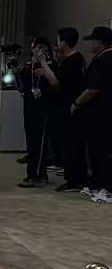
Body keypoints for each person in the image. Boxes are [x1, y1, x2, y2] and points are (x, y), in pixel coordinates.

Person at [34, 28, 86, 191]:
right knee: (69, 146)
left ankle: (74, 181)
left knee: (71, 146)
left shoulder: (73, 61)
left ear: (64, 42)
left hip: (68, 109)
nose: (56, 45)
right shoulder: (72, 59)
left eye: (58, 40)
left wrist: (43, 62)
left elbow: (57, 84)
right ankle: (75, 178)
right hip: (67, 108)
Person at [71, 27, 112, 202]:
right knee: (96, 151)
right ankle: (96, 184)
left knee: (102, 152)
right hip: (100, 114)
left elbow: (93, 89)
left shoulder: (103, 60)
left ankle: (106, 189)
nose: (91, 44)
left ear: (101, 42)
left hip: (102, 115)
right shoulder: (102, 58)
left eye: (93, 40)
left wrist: (76, 103)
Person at [18, 36, 56, 188]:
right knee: (31, 141)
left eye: (42, 47)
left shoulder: (50, 65)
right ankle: (38, 174)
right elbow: (21, 88)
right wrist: (16, 73)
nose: (39, 50)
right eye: (36, 47)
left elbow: (55, 84)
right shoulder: (28, 67)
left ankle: (35, 175)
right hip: (29, 108)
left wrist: (44, 66)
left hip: (43, 108)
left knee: (40, 143)